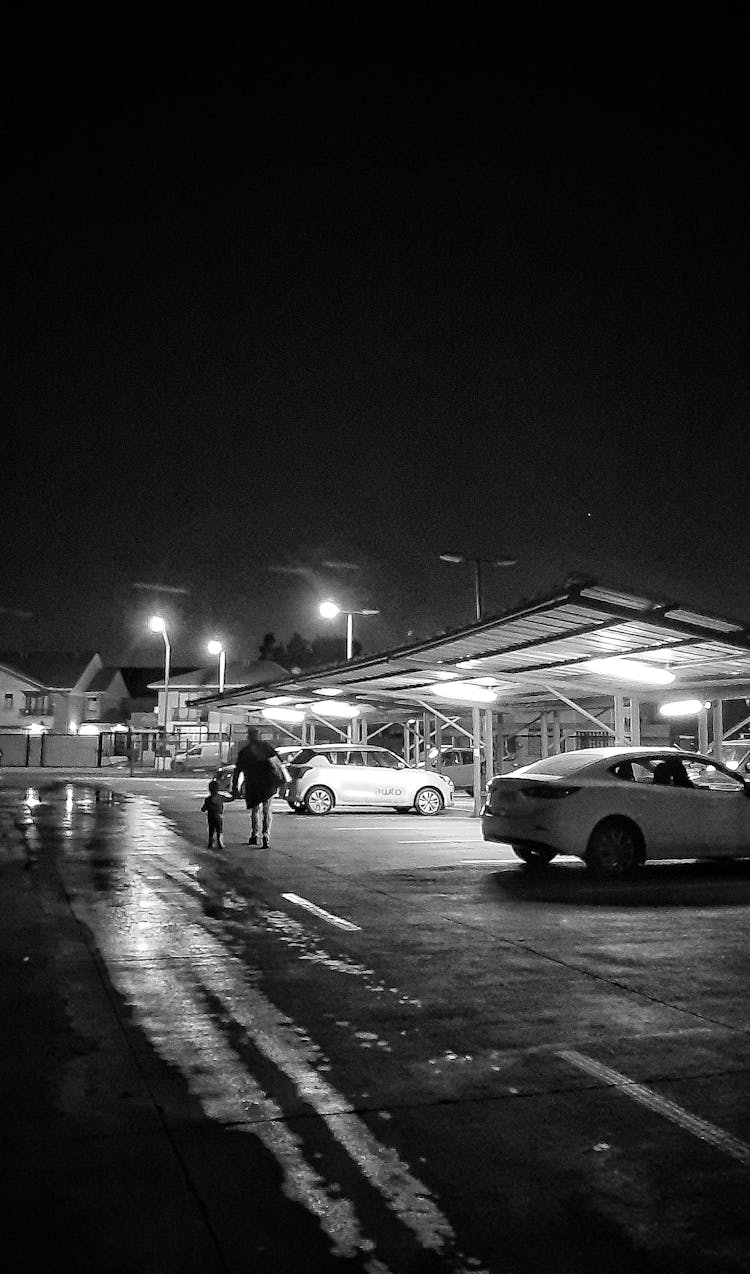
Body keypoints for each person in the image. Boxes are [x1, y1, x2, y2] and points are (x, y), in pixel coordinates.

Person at [232, 727, 285, 848]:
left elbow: (237, 770)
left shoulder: (245, 751)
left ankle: (254, 835)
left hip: (253, 783)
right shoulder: (266, 747)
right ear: (259, 735)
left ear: (248, 736)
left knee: (255, 810)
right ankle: (266, 836)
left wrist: (235, 787)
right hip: (268, 783)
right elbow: (278, 763)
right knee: (267, 809)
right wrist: (281, 781)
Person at [201, 779, 228, 849]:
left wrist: (205, 808)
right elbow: (230, 799)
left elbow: (203, 809)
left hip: (210, 817)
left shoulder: (207, 799)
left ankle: (211, 841)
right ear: (218, 789)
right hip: (219, 816)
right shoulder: (221, 797)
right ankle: (220, 842)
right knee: (219, 829)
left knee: (211, 829)